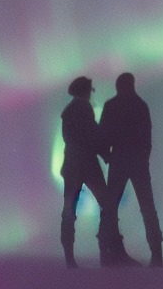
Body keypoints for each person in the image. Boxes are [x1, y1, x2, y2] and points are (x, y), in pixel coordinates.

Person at [99, 72, 163, 267]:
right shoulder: (140, 105)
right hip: (137, 161)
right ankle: (157, 254)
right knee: (147, 207)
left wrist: (107, 155)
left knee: (110, 208)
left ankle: (107, 253)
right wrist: (143, 158)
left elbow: (103, 134)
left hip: (118, 159)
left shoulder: (111, 106)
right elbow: (147, 137)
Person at [59, 76, 109, 268]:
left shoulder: (68, 110)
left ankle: (69, 257)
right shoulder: (85, 108)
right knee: (106, 204)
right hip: (87, 163)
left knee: (69, 210)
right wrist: (105, 153)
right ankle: (106, 249)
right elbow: (91, 134)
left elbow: (71, 137)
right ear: (86, 91)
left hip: (71, 164)